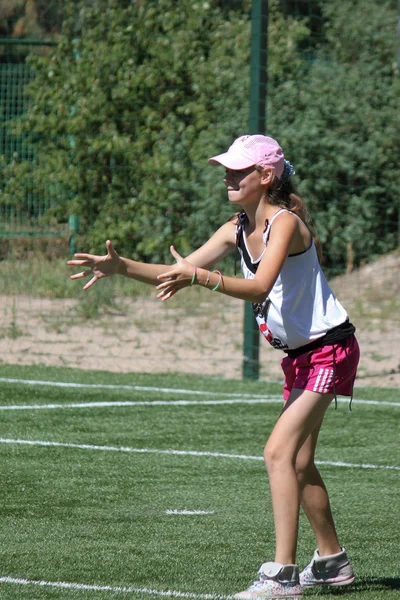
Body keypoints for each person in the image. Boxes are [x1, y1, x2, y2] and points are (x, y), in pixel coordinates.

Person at [68, 134, 359, 599]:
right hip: (301, 357)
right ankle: (332, 562)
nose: (227, 176)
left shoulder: (284, 223)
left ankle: (282, 576)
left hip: (330, 349)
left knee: (277, 453)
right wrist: (121, 267)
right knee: (299, 460)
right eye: (225, 169)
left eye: (238, 170)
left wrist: (200, 278)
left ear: (266, 177)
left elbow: (259, 286)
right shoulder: (236, 227)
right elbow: (180, 269)